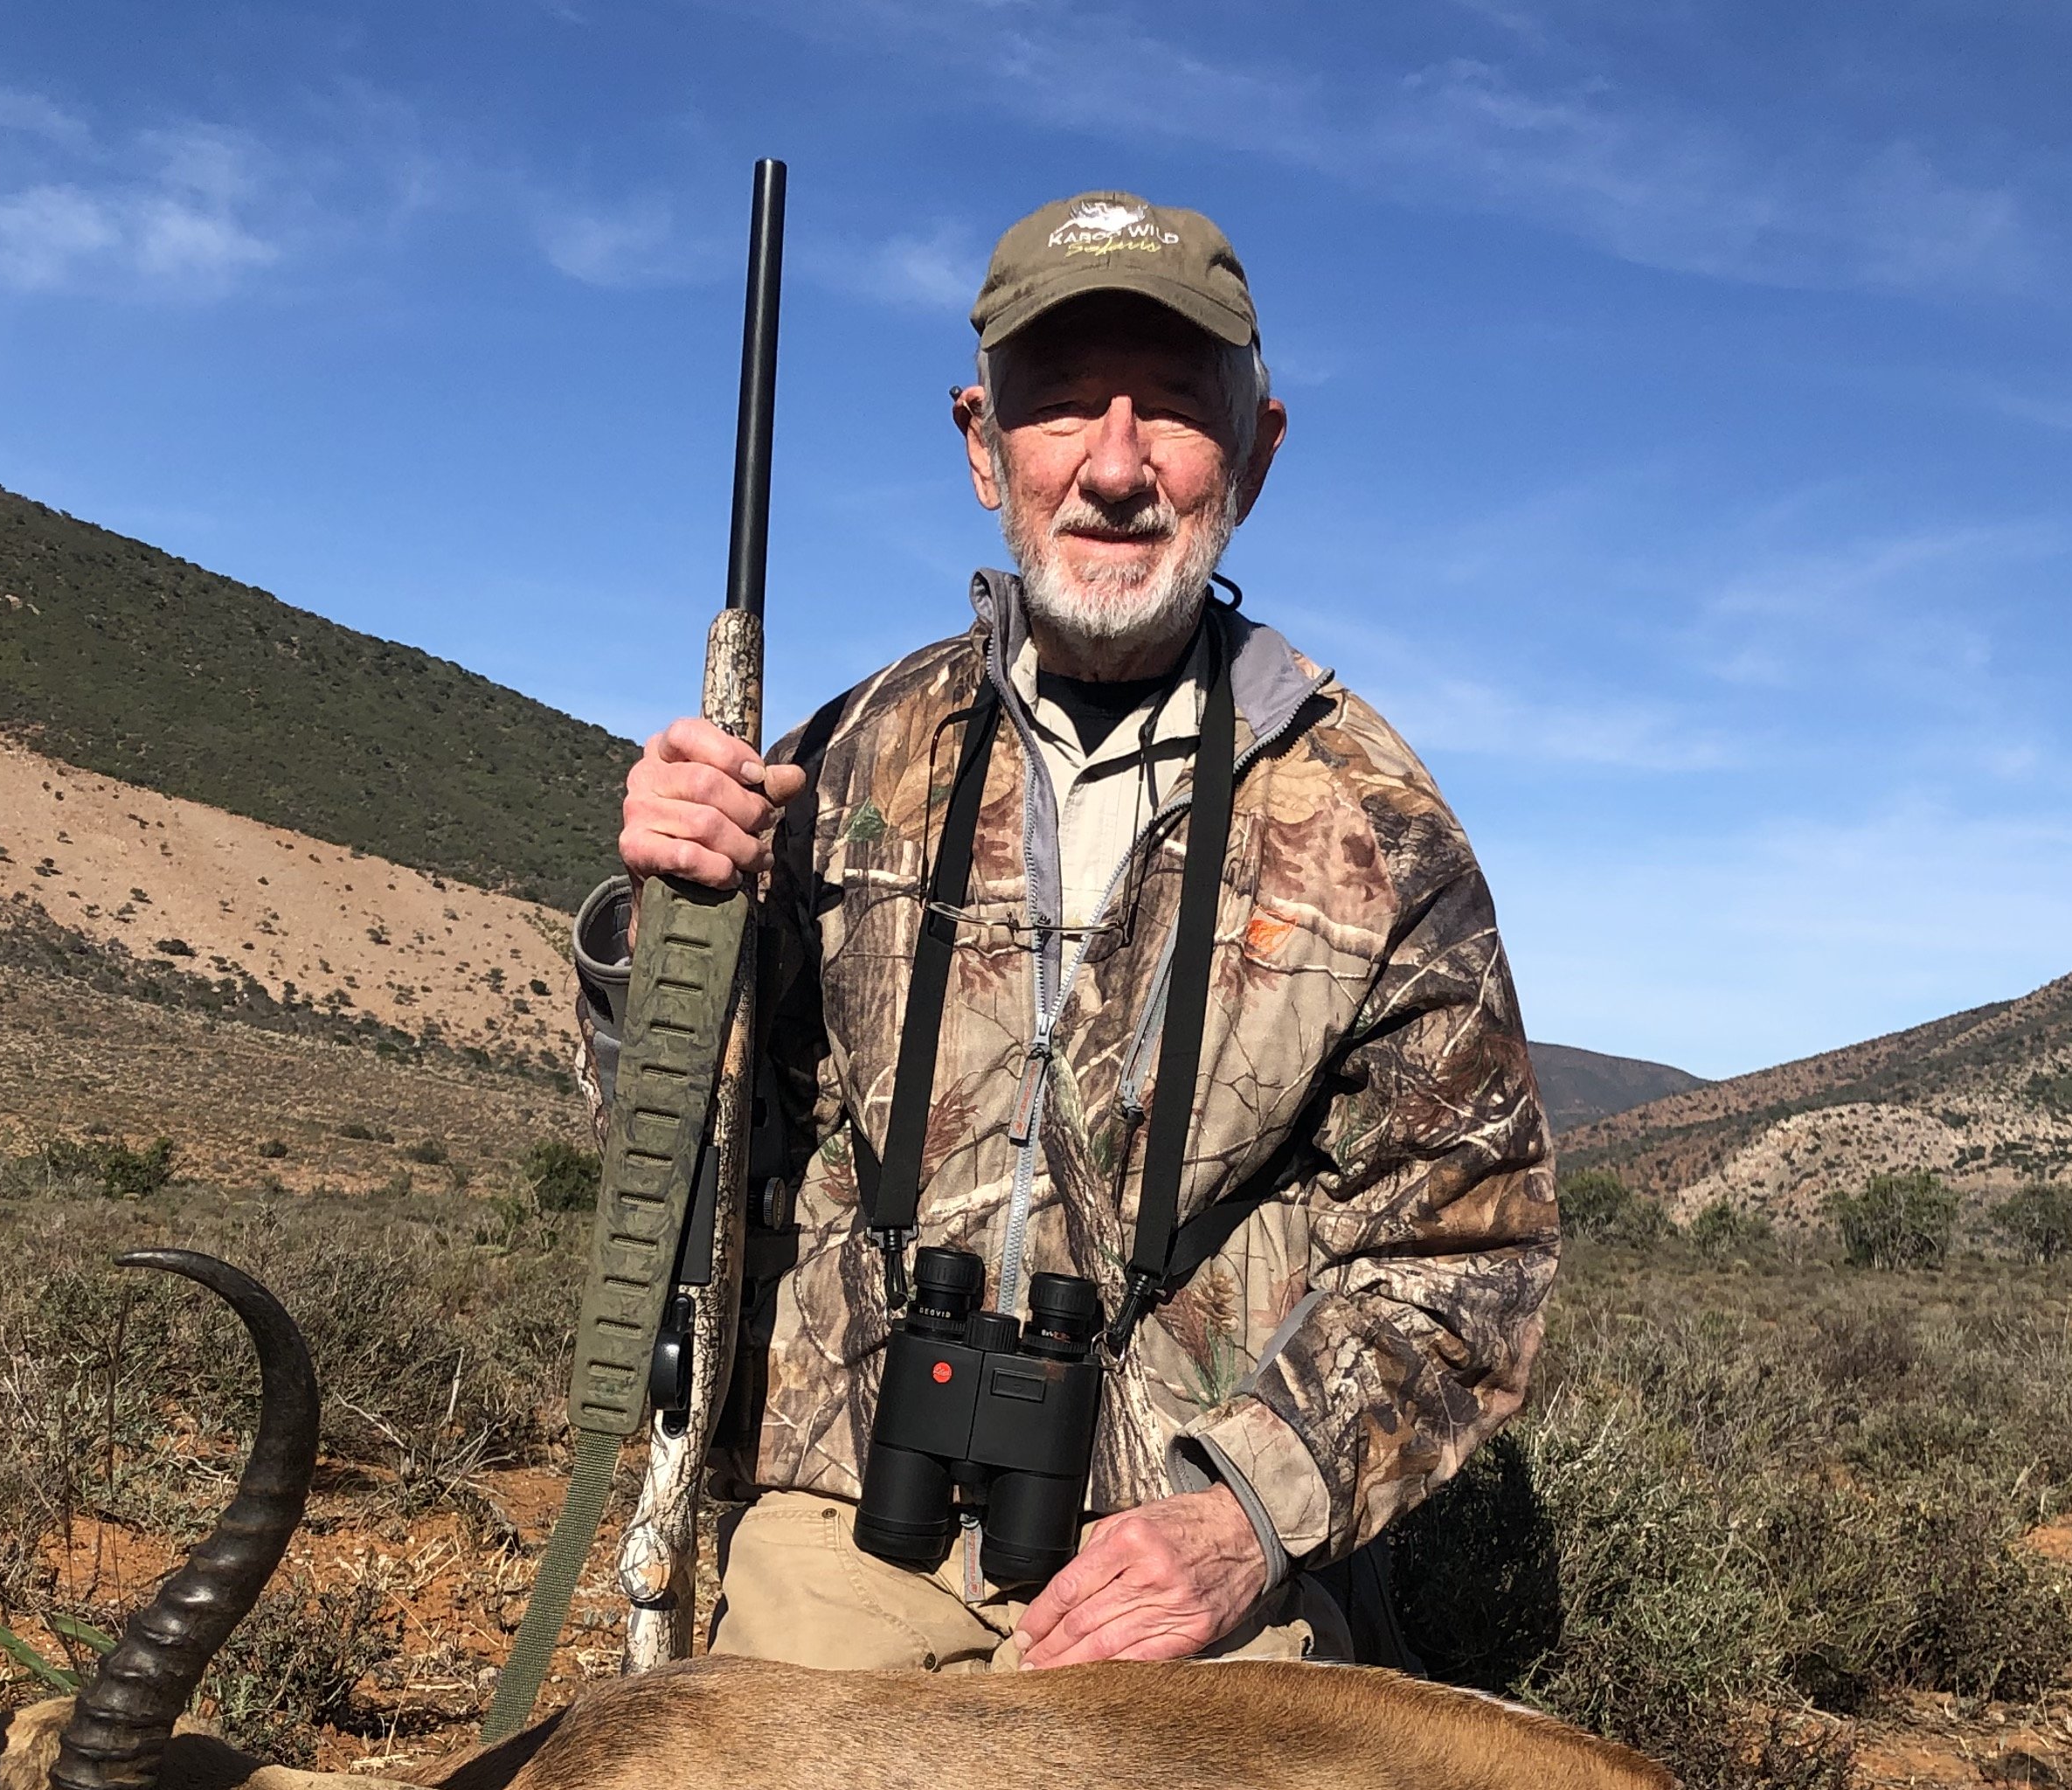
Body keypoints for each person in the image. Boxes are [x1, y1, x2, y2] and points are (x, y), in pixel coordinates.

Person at [579, 189, 1556, 1671]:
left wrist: (1246, 1523)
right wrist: (661, 918)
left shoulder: (1380, 827)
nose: (1114, 467)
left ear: (1260, 453)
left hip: (1175, 1564)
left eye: (1171, 409)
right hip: (851, 1518)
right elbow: (686, 1128)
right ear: (983, 446)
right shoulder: (844, 755)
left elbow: (1471, 1254)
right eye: (1058, 411)